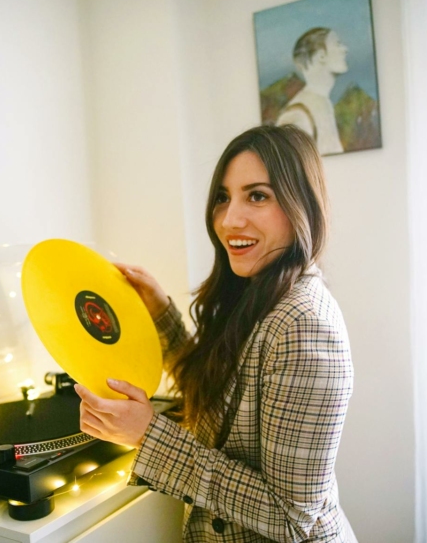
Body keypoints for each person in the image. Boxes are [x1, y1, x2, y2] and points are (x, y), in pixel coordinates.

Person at [74, 125, 357, 542]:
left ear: (302, 206)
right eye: (223, 198)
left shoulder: (305, 326)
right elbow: (218, 402)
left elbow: (291, 518)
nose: (229, 219)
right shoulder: (256, 288)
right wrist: (161, 313)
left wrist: (148, 436)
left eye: (257, 195)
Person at [276, 28, 349, 155]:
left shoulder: (322, 103)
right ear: (321, 56)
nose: (344, 49)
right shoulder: (297, 114)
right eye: (337, 44)